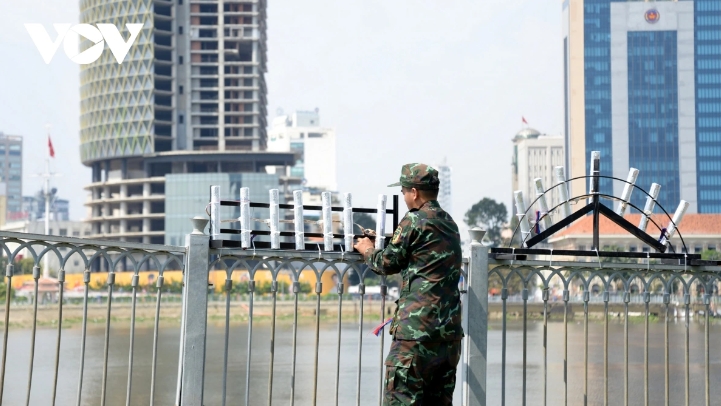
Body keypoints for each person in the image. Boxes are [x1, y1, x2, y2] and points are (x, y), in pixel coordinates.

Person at [353, 163, 464, 405]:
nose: (403, 197)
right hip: (448, 335)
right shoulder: (449, 223)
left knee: (400, 398)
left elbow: (386, 263)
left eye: (403, 192)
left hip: (416, 333)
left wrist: (367, 248)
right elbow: (420, 251)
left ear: (414, 192)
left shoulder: (413, 220)